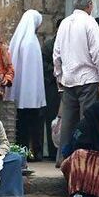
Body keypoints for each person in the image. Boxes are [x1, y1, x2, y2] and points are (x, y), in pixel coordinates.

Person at [53, 0, 99, 164]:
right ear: (90, 5)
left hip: (68, 79)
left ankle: (64, 159)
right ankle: (85, 159)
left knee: (68, 122)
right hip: (88, 79)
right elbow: (97, 52)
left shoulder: (64, 23)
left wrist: (60, 76)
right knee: (88, 120)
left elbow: (57, 54)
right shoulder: (89, 22)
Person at [7, 9, 46, 161]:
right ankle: (32, 152)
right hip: (30, 92)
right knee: (32, 123)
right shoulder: (31, 42)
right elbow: (33, 72)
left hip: (23, 90)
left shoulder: (20, 40)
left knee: (22, 123)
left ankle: (23, 151)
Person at [42, 18, 63, 160]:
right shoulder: (49, 45)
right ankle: (51, 152)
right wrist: (57, 71)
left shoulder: (70, 44)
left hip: (66, 86)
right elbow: (43, 64)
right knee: (51, 118)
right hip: (52, 87)